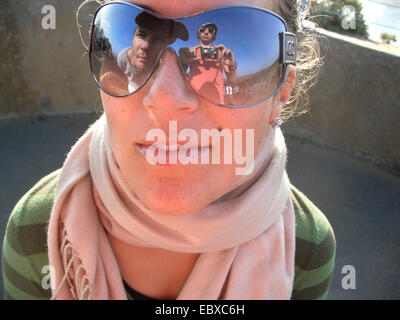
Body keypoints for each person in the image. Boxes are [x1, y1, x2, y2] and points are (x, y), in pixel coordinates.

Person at [2, 0, 335, 300]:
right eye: (127, 26)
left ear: (282, 90)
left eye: (233, 38)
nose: (165, 99)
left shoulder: (308, 248)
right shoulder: (37, 232)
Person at [179, 22, 237, 105]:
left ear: (214, 35)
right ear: (198, 34)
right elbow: (180, 77)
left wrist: (232, 65)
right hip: (195, 102)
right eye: (202, 30)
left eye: (210, 30)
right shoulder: (191, 52)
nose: (206, 32)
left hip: (217, 103)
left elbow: (232, 80)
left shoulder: (221, 53)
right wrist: (183, 62)